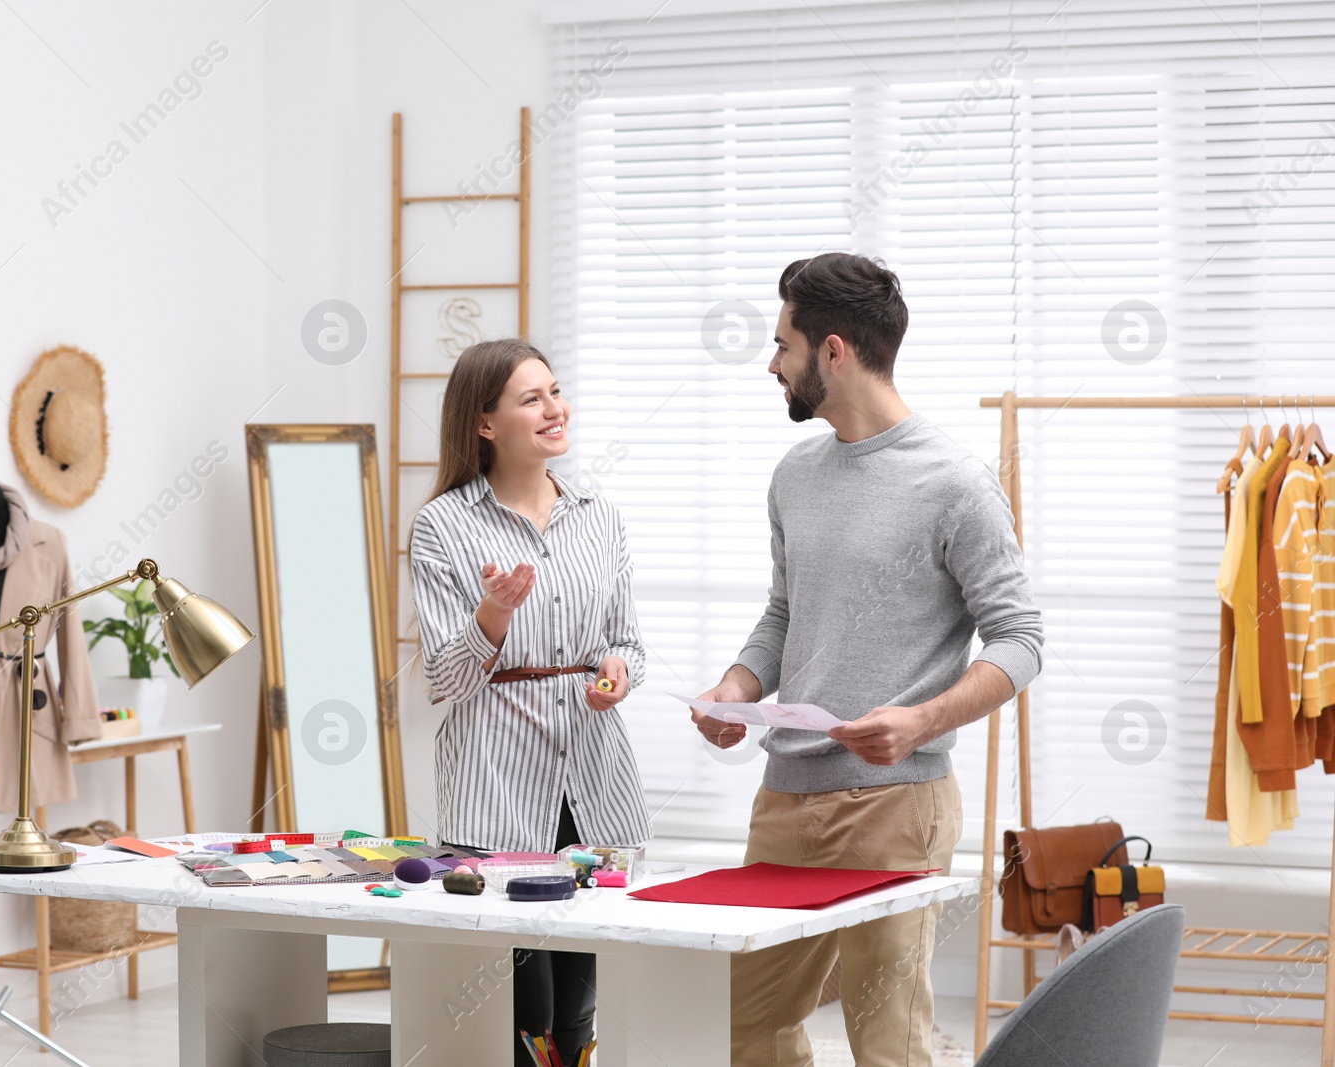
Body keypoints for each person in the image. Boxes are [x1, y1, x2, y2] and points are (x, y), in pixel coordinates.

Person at [694, 254, 1044, 1067]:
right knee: (746, 1025)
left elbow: (1020, 638)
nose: (772, 362)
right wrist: (737, 685)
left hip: (896, 804)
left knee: (885, 1043)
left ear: (835, 352)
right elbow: (787, 610)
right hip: (786, 797)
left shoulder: (956, 482)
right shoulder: (796, 473)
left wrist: (922, 718)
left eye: (783, 345)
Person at [410, 337, 652, 1066]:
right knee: (524, 1006)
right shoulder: (443, 526)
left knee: (580, 995)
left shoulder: (599, 516)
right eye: (532, 397)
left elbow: (629, 641)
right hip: (496, 784)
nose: (556, 408)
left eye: (556, 390)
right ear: (485, 423)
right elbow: (443, 682)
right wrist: (492, 618)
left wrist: (618, 671)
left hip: (594, 778)